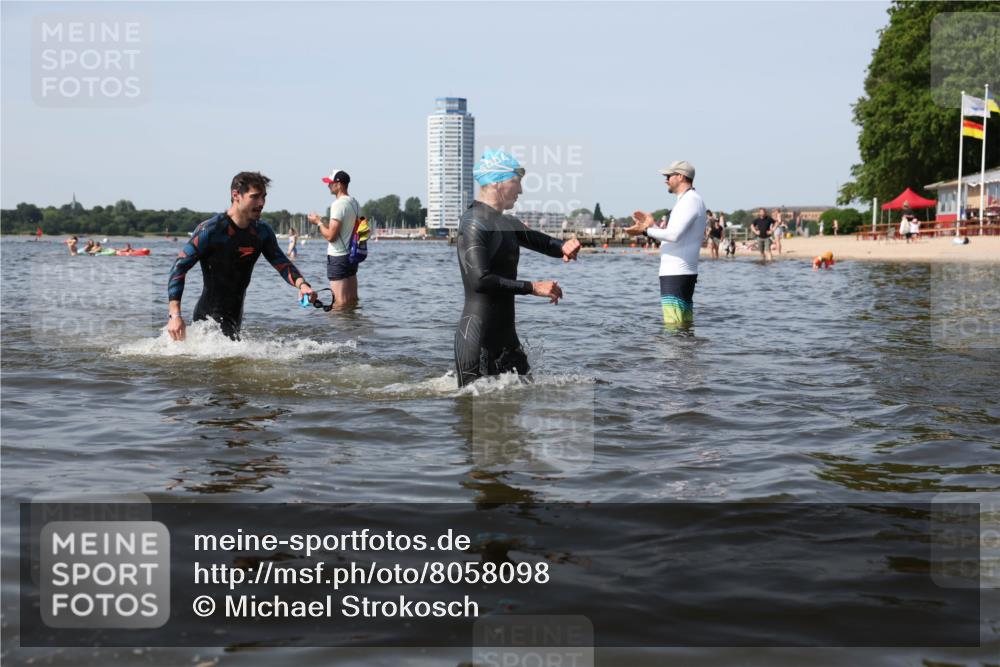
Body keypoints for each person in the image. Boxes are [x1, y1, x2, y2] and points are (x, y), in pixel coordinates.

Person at [454, 150, 581, 387]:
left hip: (508, 341)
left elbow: (544, 243)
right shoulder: (473, 222)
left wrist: (565, 246)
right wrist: (533, 287)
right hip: (476, 340)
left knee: (520, 408)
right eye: (516, 182)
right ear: (496, 182)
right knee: (473, 417)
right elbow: (480, 281)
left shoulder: (506, 223)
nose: (521, 190)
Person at [166, 171, 314, 341]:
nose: (261, 203)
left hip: (235, 317)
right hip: (207, 321)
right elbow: (178, 268)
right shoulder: (211, 230)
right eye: (255, 197)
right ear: (236, 195)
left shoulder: (261, 232)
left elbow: (281, 263)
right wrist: (175, 315)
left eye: (264, 197)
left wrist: (302, 285)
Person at [625, 160, 708, 328]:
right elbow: (672, 236)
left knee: (674, 327)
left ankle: (676, 355)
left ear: (681, 176)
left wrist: (644, 230)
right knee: (682, 326)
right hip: (679, 272)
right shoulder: (687, 200)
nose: (665, 179)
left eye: (668, 176)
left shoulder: (690, 200)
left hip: (677, 272)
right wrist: (652, 225)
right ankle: (685, 354)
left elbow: (674, 235)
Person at [308, 169, 361, 308]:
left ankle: (338, 329)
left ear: (339, 184)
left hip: (338, 257)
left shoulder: (338, 204)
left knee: (339, 303)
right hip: (351, 256)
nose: (328, 186)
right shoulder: (354, 203)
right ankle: (353, 327)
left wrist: (318, 223)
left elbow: (331, 236)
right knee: (352, 300)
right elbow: (343, 230)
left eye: (330, 183)